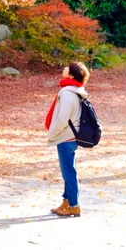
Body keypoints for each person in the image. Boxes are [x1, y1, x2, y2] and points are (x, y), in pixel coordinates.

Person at [45, 61, 90, 216]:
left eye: (67, 68)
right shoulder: (77, 90)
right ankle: (67, 201)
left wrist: (52, 134)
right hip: (72, 137)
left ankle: (74, 206)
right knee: (69, 170)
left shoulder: (67, 92)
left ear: (71, 75)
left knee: (68, 173)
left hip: (65, 137)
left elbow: (62, 118)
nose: (63, 68)